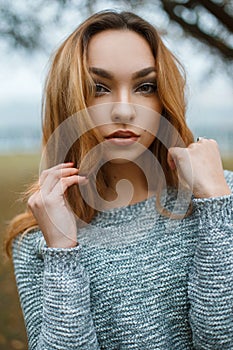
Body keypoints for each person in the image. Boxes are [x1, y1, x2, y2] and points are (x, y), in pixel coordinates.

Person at [6, 10, 233, 350]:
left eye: (145, 86)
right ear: (68, 99)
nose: (125, 111)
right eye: (99, 88)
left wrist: (215, 204)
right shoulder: (40, 236)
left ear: (164, 97)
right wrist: (63, 252)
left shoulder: (220, 197)